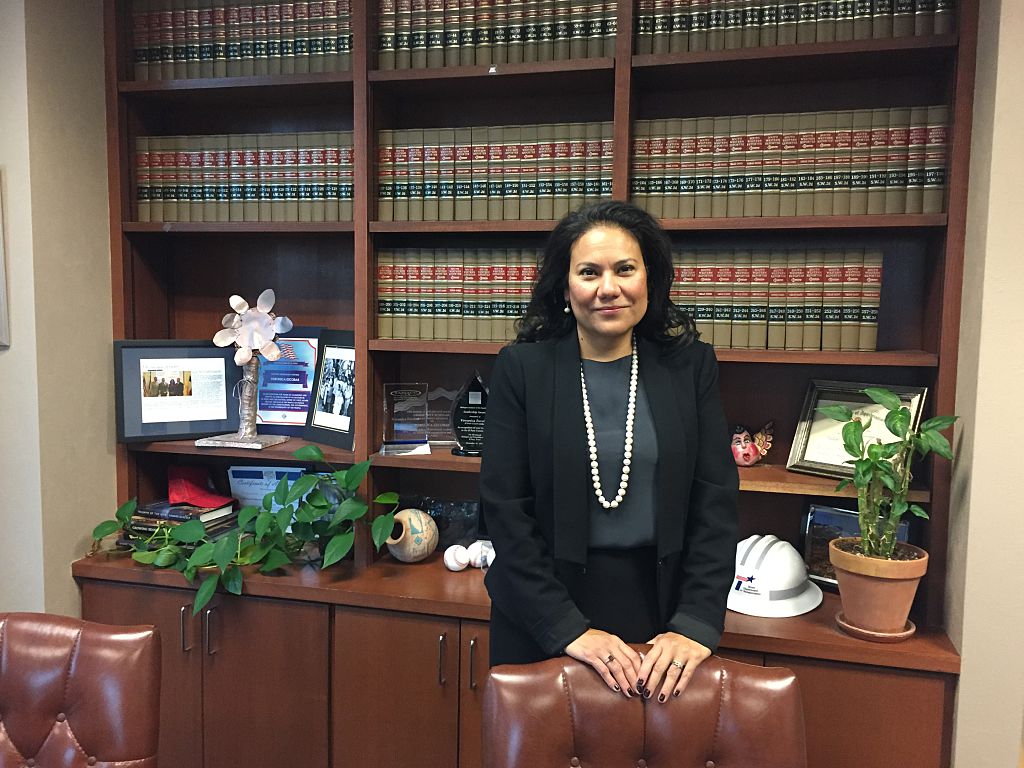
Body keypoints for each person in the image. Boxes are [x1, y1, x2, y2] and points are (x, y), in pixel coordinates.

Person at [480, 201, 738, 704]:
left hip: (662, 617)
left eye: (625, 269)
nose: (608, 288)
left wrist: (696, 623)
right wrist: (566, 628)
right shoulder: (521, 370)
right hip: (539, 612)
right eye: (588, 272)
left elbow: (716, 503)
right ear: (564, 285)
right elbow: (504, 512)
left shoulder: (690, 367)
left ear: (649, 278)